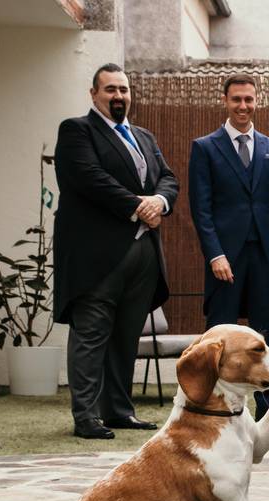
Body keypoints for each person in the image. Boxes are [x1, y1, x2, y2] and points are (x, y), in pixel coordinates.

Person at [53, 63, 179, 439]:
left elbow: (168, 177)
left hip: (142, 257)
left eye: (123, 89)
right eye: (110, 89)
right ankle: (87, 416)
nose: (118, 96)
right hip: (96, 257)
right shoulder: (77, 131)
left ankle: (119, 411)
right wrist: (138, 206)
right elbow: (89, 178)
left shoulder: (144, 136)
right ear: (94, 94)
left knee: (126, 337)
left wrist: (160, 200)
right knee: (91, 336)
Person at [188, 74, 269, 423]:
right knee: (221, 331)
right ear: (225, 101)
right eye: (237, 100)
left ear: (256, 100)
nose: (243, 106)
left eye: (249, 99)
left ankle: (266, 404)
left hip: (264, 255)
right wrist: (215, 254)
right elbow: (201, 209)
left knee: (264, 328)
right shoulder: (205, 147)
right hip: (225, 257)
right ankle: (213, 401)